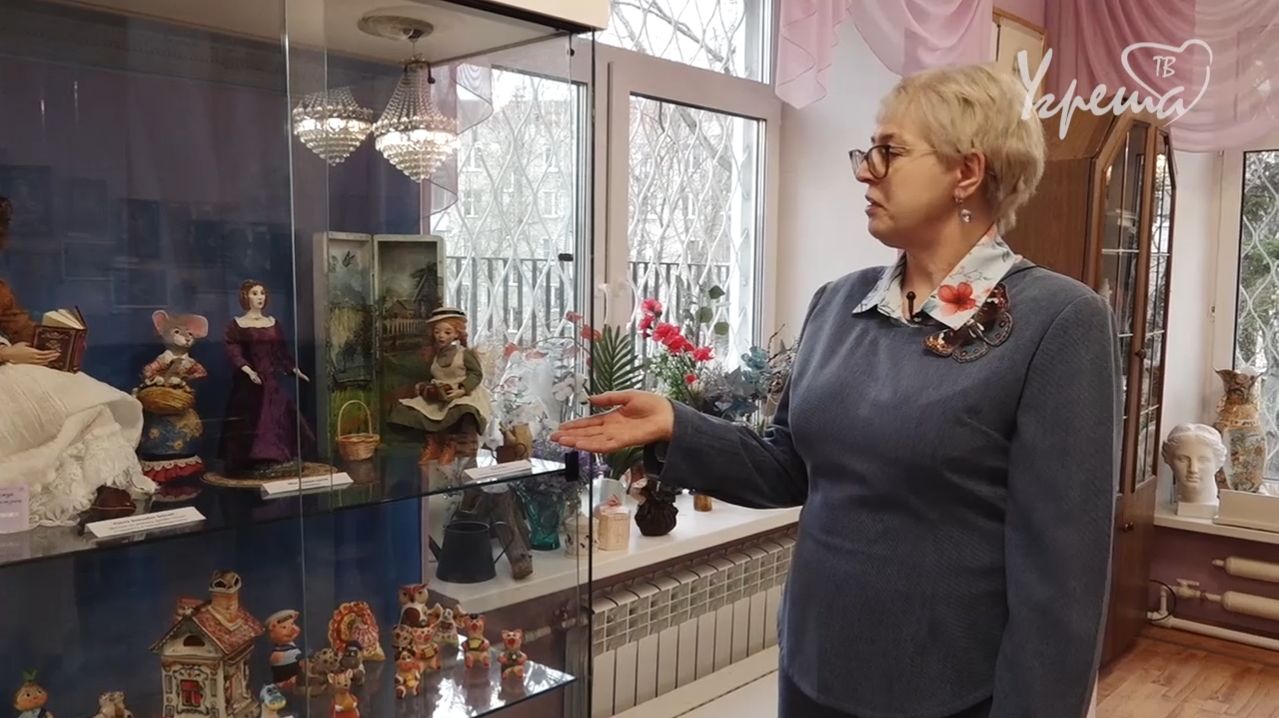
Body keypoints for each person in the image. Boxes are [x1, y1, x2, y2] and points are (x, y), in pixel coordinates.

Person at [553, 64, 1118, 718]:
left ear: (966, 172)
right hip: (813, 667)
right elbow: (789, 468)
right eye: (868, 151)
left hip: (951, 693)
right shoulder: (838, 305)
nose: (865, 172)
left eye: (890, 152)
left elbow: (1062, 583)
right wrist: (678, 425)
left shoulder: (1057, 322)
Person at [0, 195, 154, 525]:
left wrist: (58, 338)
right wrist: (5, 353)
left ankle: (108, 481)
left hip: (14, 367)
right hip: (6, 368)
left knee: (89, 401)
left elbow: (18, 324)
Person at [218, 279, 312, 475]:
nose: (259, 297)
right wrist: (248, 370)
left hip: (271, 381)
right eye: (254, 293)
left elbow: (281, 352)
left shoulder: (272, 323)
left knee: (279, 414)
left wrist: (294, 369)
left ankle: (276, 456)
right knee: (254, 417)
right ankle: (254, 459)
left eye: (262, 293)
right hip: (250, 383)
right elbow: (234, 351)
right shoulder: (237, 324)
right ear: (245, 297)